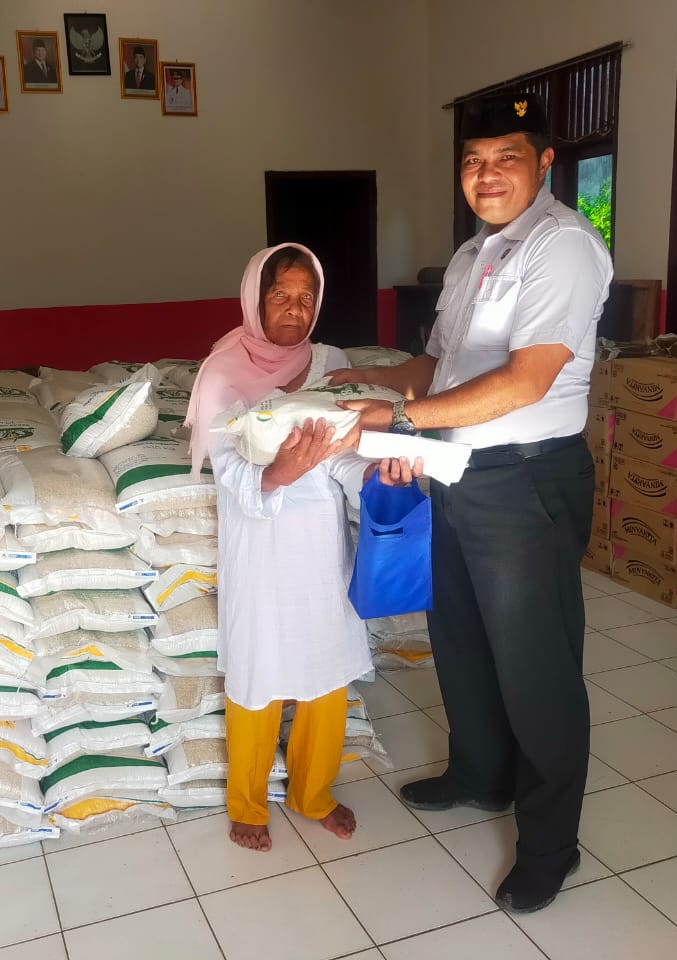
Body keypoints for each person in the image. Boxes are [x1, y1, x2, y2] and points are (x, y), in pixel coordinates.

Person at [330, 91, 612, 913]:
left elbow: (527, 379)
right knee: (460, 638)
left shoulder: (562, 247)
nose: (486, 175)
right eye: (473, 161)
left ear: (545, 163)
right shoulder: (470, 256)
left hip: (526, 479)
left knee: (535, 665)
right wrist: (371, 380)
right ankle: (480, 773)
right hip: (458, 472)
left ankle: (551, 844)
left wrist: (398, 420)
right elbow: (439, 363)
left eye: (506, 158)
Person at [185, 243, 418, 852]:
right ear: (255, 300)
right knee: (257, 675)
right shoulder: (223, 373)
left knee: (326, 672)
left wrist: (376, 477)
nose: (295, 308)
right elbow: (227, 470)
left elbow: (340, 455)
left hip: (319, 544)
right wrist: (277, 474)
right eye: (280, 295)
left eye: (306, 297)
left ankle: (312, 793)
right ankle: (247, 803)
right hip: (260, 545)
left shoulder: (328, 362)